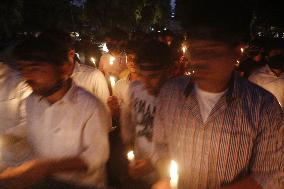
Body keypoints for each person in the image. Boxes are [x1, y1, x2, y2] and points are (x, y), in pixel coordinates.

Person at [151, 26, 283, 189]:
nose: (200, 61)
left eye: (212, 52)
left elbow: (271, 176)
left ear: (236, 53)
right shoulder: (170, 93)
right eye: (195, 52)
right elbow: (160, 147)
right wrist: (167, 179)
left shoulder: (263, 107)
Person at [1, 32, 111, 189]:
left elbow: (97, 156)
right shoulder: (32, 101)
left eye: (35, 68)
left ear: (64, 68)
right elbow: (34, 133)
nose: (27, 76)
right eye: (23, 68)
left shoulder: (90, 106)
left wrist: (45, 167)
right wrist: (9, 138)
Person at [120, 40, 175, 187]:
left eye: (153, 76)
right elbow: (127, 124)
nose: (146, 83)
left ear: (170, 70)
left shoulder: (178, 99)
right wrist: (128, 149)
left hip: (165, 177)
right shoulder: (134, 89)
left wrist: (152, 164)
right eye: (141, 75)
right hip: (138, 168)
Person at [249, 39, 284, 109]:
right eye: (275, 53)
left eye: (281, 53)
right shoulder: (256, 77)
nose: (279, 56)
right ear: (267, 57)